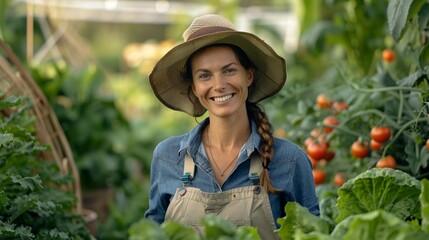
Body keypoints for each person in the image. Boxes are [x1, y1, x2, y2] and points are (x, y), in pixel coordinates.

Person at [144, 14, 319, 239]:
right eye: (205, 76)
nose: (219, 85)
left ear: (248, 75)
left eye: (229, 70)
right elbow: (152, 233)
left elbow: (313, 233)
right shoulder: (167, 157)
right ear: (195, 88)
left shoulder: (289, 160)